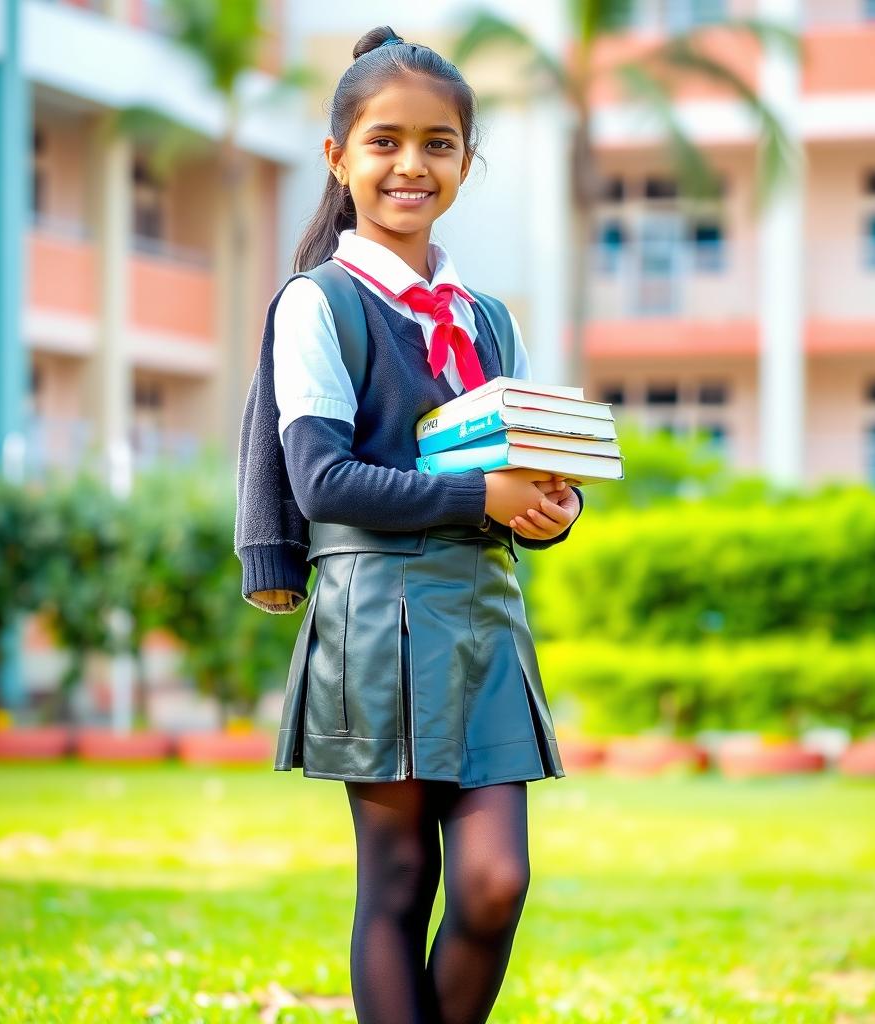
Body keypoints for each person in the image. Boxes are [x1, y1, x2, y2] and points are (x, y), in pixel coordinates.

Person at [269, 25, 583, 1024]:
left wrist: (545, 510)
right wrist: (476, 500)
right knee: (398, 884)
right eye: (385, 141)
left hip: (483, 616)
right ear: (339, 157)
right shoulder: (318, 307)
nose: (412, 164)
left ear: (466, 160)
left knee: (494, 882)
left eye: (439, 143)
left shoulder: (489, 318)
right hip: (376, 617)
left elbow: (515, 481)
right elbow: (322, 481)